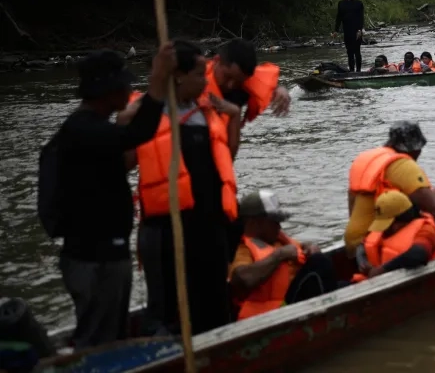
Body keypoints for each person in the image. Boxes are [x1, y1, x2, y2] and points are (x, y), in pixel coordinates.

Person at [51, 45, 175, 348]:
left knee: (114, 333)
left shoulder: (95, 130)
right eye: (125, 85)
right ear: (107, 91)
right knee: (99, 340)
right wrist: (158, 81)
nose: (129, 90)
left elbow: (126, 155)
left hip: (106, 253)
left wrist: (126, 120)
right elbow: (141, 133)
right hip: (92, 257)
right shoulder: (84, 131)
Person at [121, 40, 242, 335]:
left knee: (214, 302)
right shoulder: (144, 113)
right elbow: (123, 163)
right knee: (166, 307)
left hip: (209, 225)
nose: (206, 80)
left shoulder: (209, 110)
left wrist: (234, 117)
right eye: (200, 75)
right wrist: (126, 123)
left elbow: (228, 159)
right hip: (166, 229)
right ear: (178, 76)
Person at [345, 121, 435, 260]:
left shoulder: (366, 159)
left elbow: (352, 202)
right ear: (416, 149)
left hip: (353, 242)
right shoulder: (402, 165)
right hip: (375, 244)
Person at [229, 190, 337, 320]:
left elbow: (300, 248)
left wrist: (310, 247)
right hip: (275, 315)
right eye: (274, 221)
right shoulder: (242, 249)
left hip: (293, 301)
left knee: (336, 276)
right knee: (320, 263)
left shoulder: (276, 239)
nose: (279, 226)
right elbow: (241, 280)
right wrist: (280, 255)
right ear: (254, 223)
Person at [353, 190, 435, 281]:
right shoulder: (385, 232)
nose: (383, 230)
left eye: (387, 225)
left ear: (401, 221)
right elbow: (362, 247)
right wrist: (365, 265)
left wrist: (381, 270)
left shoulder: (426, 230)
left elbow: (418, 254)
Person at [206, 38, 290, 125]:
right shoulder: (196, 80)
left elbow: (264, 83)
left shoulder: (244, 80)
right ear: (216, 60)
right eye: (227, 77)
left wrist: (279, 89)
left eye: (238, 82)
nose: (230, 85)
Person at [333, 0, 365, 72]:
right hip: (347, 31)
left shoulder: (359, 4)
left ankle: (358, 71)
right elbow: (338, 17)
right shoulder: (341, 4)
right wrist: (336, 30)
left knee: (357, 52)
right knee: (349, 52)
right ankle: (351, 70)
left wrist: (360, 30)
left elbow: (361, 18)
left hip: (356, 31)